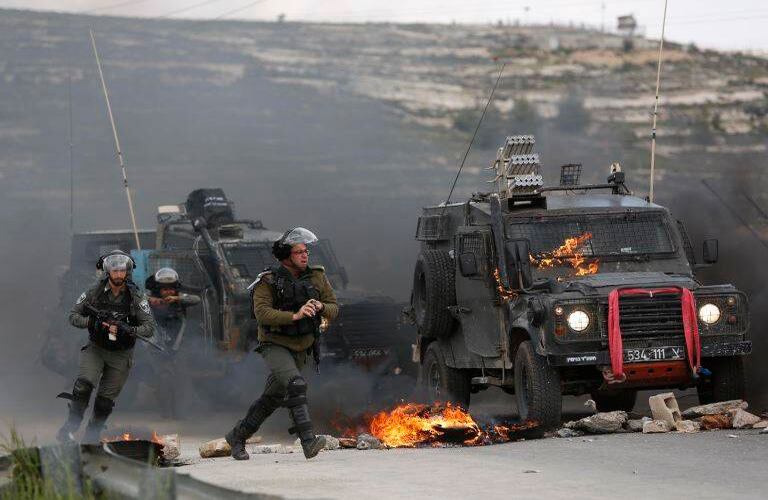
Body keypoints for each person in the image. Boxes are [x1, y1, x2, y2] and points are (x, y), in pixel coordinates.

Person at [225, 227, 338, 460]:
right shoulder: (268, 280)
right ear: (287, 256)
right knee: (295, 384)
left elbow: (334, 307)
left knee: (272, 398)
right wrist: (295, 316)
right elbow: (262, 314)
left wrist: (320, 307)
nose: (305, 256)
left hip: (303, 345)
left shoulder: (317, 276)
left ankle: (237, 436)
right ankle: (308, 441)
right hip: (275, 343)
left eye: (306, 251)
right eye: (299, 252)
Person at [56, 250, 157, 443]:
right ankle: (69, 428)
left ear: (127, 272)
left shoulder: (136, 296)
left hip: (121, 354)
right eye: (115, 271)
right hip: (96, 349)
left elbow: (149, 327)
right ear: (107, 272)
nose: (118, 275)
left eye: (122, 271)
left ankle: (91, 437)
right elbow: (73, 316)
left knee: (104, 402)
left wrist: (129, 329)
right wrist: (91, 323)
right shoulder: (93, 292)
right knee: (84, 386)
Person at [145, 267, 201, 417]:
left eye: (171, 289)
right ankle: (166, 411)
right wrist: (151, 300)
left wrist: (177, 298)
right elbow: (133, 299)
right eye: (164, 289)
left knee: (182, 378)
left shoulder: (180, 300)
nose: (168, 292)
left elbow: (196, 299)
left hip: (178, 346)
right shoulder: (148, 301)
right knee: (164, 378)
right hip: (156, 347)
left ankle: (181, 412)